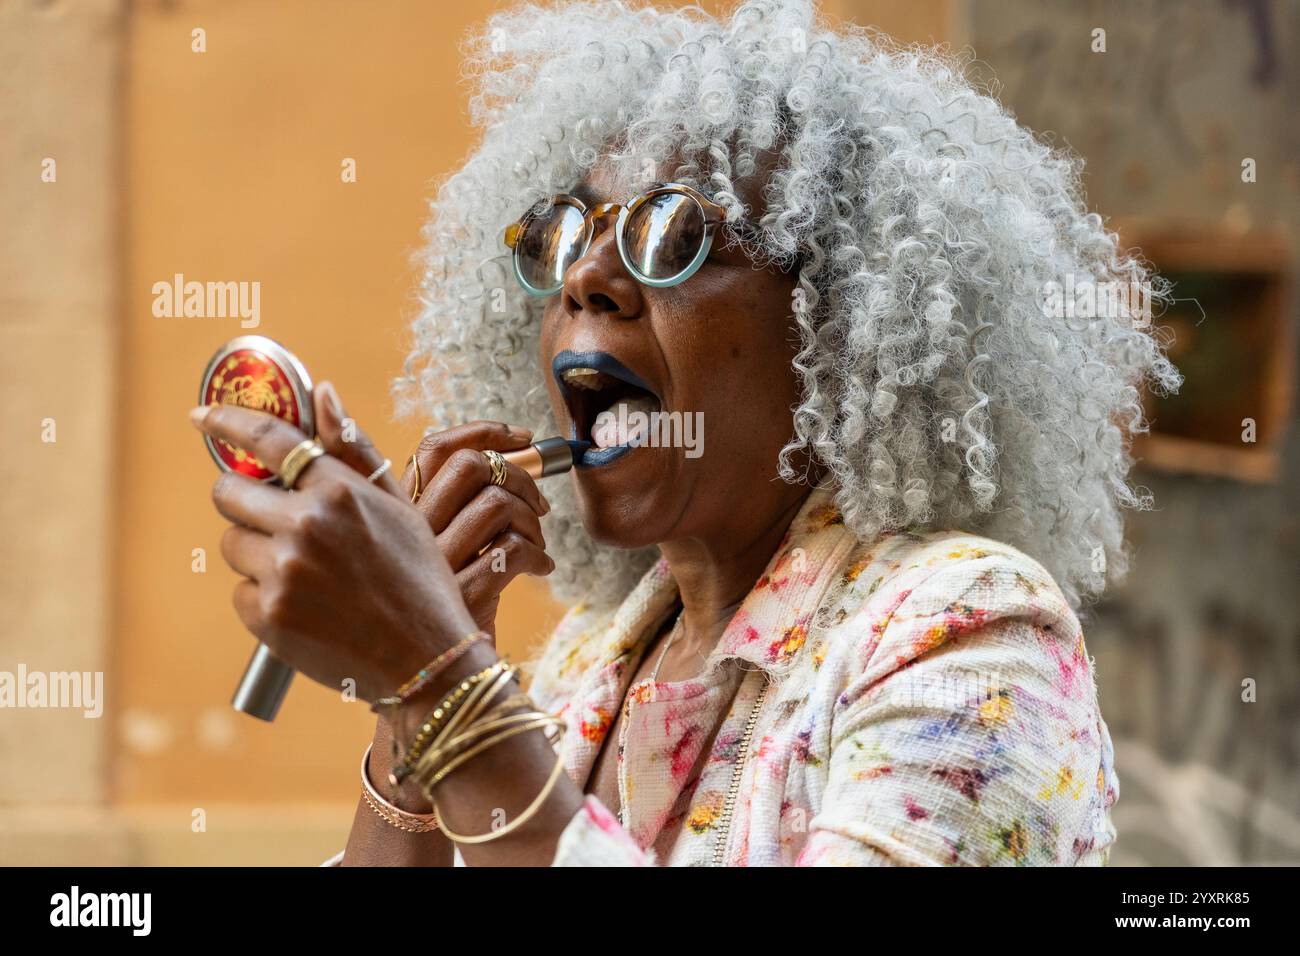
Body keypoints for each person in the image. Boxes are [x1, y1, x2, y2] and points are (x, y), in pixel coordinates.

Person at [192, 0, 1178, 866]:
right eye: (561, 235)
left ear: (834, 319)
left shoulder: (962, 628)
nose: (587, 278)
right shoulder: (584, 666)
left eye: (672, 232)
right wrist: (415, 711)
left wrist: (448, 679)